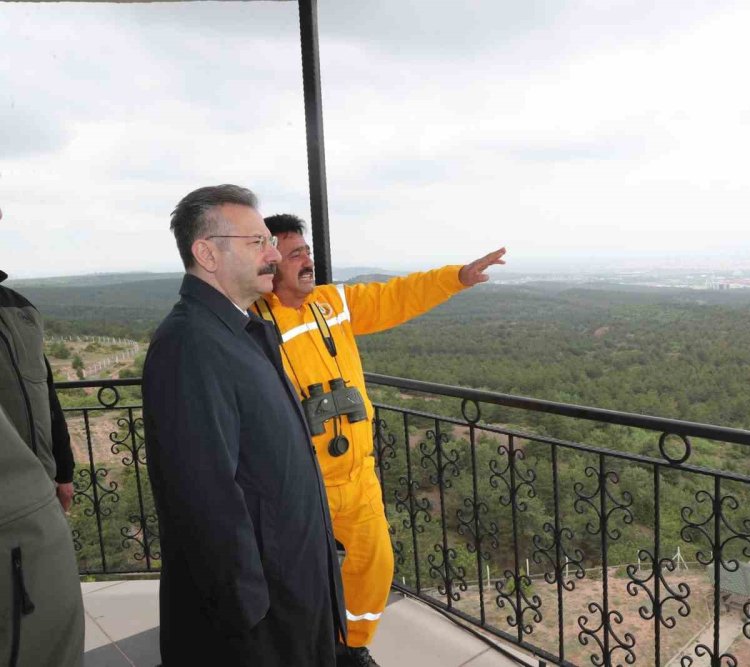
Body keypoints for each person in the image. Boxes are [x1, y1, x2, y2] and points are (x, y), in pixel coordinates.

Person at [254, 212, 505, 666]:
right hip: (299, 483)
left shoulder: (332, 304)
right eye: (294, 255)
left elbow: (395, 296)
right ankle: (300, 649)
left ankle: (349, 647)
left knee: (373, 565)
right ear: (270, 263)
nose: (306, 262)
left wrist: (457, 278)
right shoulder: (253, 322)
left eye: (307, 252)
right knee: (296, 578)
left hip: (356, 475)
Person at [142, 186, 347, 666]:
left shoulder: (239, 330)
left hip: (288, 593)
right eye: (258, 242)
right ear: (207, 253)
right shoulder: (190, 345)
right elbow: (202, 498)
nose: (274, 254)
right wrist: (251, 615)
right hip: (257, 620)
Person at [1, 204, 84, 667]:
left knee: (45, 622)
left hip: (41, 493)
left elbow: (45, 394)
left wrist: (64, 472)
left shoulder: (19, 308)